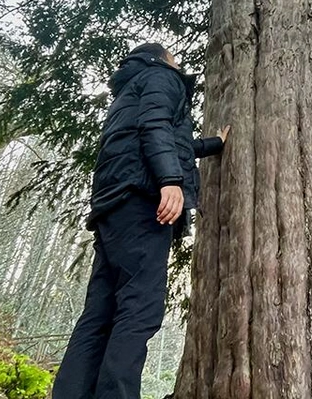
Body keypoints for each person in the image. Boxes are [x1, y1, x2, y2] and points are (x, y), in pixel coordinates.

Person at [51, 42, 228, 399]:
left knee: (100, 313)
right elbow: (155, 126)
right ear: (162, 58)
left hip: (112, 204)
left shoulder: (129, 91)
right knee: (139, 308)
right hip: (143, 200)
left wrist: (211, 144)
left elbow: (164, 137)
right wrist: (170, 181)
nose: (178, 64)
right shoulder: (163, 77)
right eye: (174, 59)